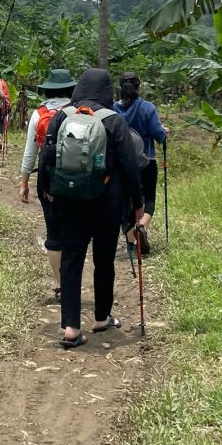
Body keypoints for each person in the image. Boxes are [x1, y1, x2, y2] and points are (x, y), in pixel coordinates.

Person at [39, 67, 144, 348]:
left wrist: (45, 190)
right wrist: (137, 202)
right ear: (108, 91)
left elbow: (47, 155)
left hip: (68, 201)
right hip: (105, 203)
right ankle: (101, 317)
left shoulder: (62, 116)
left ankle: (71, 327)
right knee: (104, 260)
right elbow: (130, 167)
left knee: (72, 260)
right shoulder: (114, 121)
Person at [19, 69, 76, 301]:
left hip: (48, 177)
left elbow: (30, 152)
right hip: (77, 177)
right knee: (74, 231)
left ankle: (62, 285)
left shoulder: (39, 113)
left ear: (48, 89)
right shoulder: (79, 110)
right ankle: (74, 281)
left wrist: (24, 181)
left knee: (53, 231)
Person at [114, 73, 168, 254]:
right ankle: (142, 225)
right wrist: (164, 132)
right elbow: (159, 135)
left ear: (120, 88)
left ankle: (131, 241)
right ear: (139, 87)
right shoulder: (147, 108)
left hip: (121, 163)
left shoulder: (114, 109)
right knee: (149, 197)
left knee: (127, 199)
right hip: (146, 161)